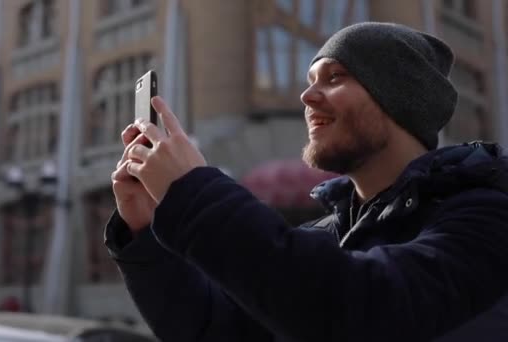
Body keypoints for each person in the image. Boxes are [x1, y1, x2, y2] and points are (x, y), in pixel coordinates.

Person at [104, 22, 508, 341]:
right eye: (311, 80)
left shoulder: (486, 215)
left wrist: (192, 189)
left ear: (398, 98)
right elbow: (214, 329)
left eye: (335, 77)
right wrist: (145, 236)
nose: (307, 96)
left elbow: (364, 310)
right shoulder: (326, 236)